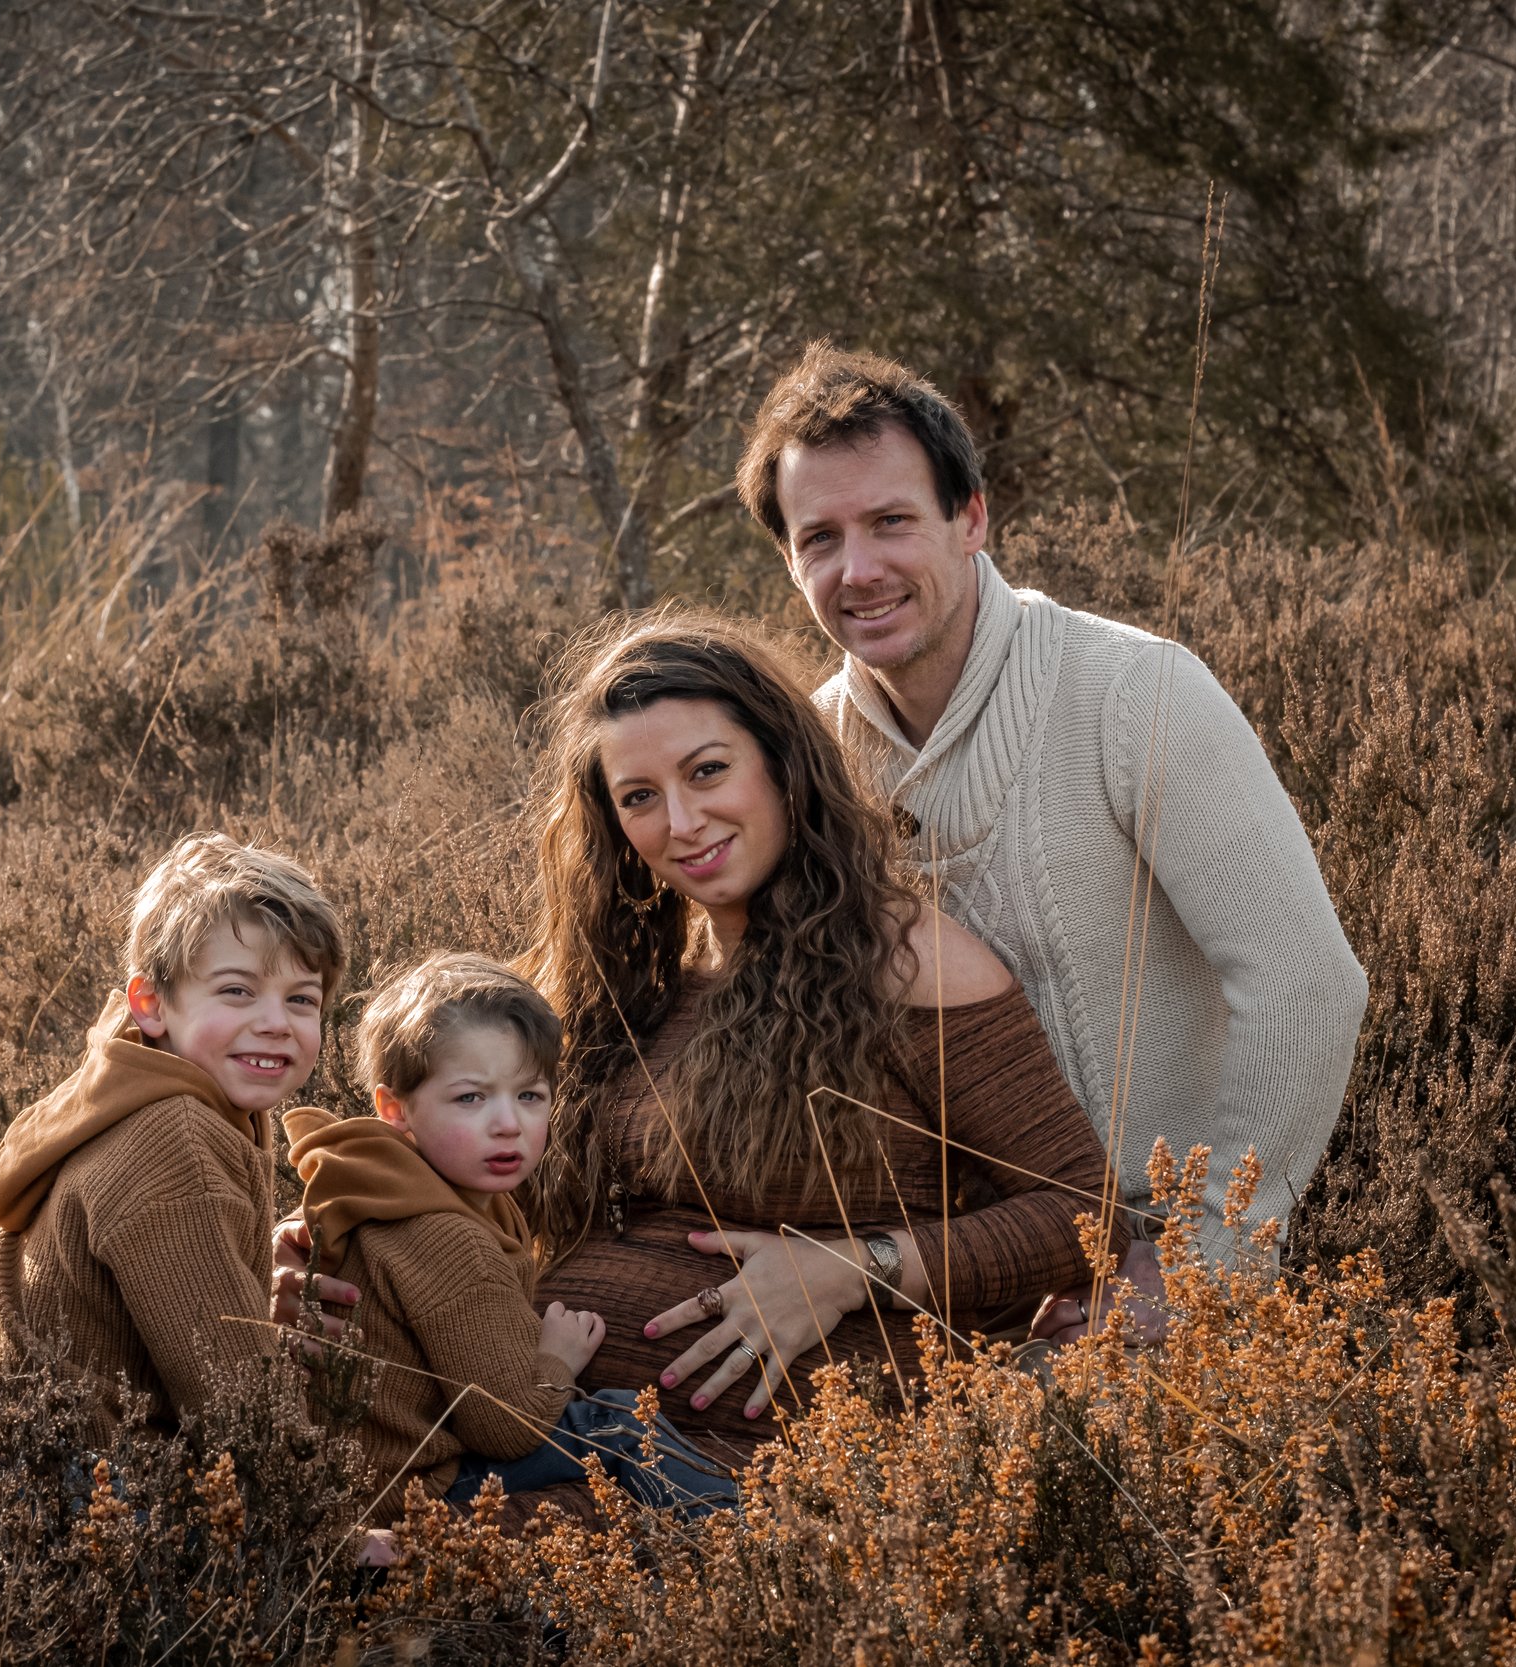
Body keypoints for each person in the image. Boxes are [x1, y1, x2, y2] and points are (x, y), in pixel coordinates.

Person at [283, 615, 1125, 1476]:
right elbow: (468, 1160)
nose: (681, 821)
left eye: (708, 770)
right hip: (540, 1423)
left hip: (755, 1471)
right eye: (639, 796)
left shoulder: (903, 957)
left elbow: (1084, 1214)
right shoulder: (614, 974)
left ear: (782, 763)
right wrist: (340, 1238)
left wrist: (849, 1268)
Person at [740, 343, 1368, 1312]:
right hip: (942, 1268)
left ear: (972, 518)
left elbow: (1305, 983)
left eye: (891, 521)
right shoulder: (806, 756)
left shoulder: (1134, 691)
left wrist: (1205, 1263)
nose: (858, 569)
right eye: (819, 537)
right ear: (788, 560)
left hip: (1160, 1261)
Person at [284, 953, 735, 1525]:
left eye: (530, 1095)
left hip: (373, 1475)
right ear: (395, 1110)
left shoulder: (382, 1185)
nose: (508, 1124)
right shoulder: (444, 1238)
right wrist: (557, 1359)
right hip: (415, 1489)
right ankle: (742, 1546)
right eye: (470, 1098)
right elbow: (505, 1426)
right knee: (621, 1424)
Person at [0, 833, 345, 1433]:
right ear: (150, 1004)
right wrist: (337, 1527)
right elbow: (241, 1415)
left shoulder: (162, 1086)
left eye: (301, 999)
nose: (274, 1023)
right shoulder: (170, 1143)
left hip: (42, 1455)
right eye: (236, 991)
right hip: (60, 1485)